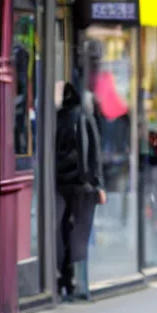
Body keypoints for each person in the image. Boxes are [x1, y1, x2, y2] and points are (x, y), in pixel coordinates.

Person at [55, 81, 107, 301]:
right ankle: (78, 283)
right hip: (80, 184)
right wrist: (97, 184)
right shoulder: (84, 117)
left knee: (65, 231)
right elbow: (93, 153)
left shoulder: (58, 118)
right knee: (80, 233)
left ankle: (67, 279)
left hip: (62, 183)